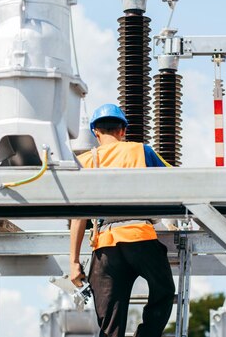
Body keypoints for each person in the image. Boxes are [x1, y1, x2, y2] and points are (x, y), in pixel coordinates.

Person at [69, 103, 175, 337]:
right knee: (164, 290)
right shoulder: (142, 151)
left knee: (110, 323)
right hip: (140, 237)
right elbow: (176, 179)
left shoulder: (84, 161)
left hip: (106, 246)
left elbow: (78, 216)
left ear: (96, 133)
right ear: (122, 131)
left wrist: (74, 262)